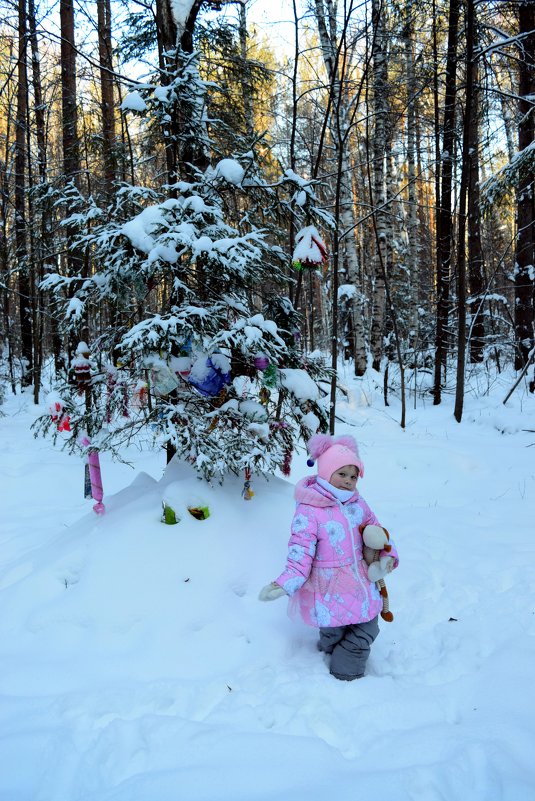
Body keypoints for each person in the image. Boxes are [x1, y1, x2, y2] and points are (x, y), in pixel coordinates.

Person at [259, 433, 399, 681]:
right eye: (342, 474)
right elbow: (300, 550)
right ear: (325, 472)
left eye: (353, 476)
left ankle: (346, 671)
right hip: (329, 588)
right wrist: (285, 582)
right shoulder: (309, 510)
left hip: (363, 582)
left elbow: (377, 530)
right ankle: (329, 651)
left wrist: (388, 555)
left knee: (367, 628)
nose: (348, 481)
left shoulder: (357, 502)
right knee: (334, 630)